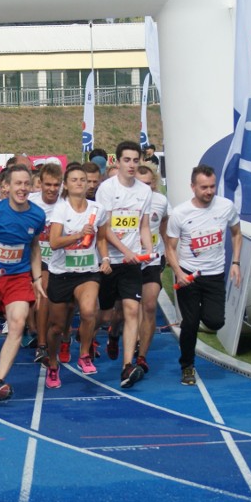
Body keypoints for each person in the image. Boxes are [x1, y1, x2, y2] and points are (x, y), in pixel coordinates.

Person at [0, 164, 46, 404]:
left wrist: (37, 278)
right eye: (18, 184)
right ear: (7, 187)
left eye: (26, 183)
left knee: (17, 322)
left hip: (18, 277)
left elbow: (33, 245)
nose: (22, 188)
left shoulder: (37, 215)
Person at [166, 165, 242, 385]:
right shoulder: (180, 213)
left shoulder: (226, 207)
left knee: (215, 321)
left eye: (212, 187)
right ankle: (187, 366)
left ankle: (195, 318)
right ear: (193, 187)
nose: (209, 191)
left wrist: (236, 262)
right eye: (204, 187)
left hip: (214, 274)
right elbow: (170, 247)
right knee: (190, 324)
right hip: (188, 276)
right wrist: (178, 272)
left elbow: (237, 234)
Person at [96, 141, 154, 388]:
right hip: (109, 260)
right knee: (106, 314)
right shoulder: (106, 189)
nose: (131, 165)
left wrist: (148, 248)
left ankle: (127, 365)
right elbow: (105, 229)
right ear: (117, 162)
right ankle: (111, 332)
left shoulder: (145, 191)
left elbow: (143, 225)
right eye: (127, 160)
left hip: (131, 264)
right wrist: (125, 250)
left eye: (135, 160)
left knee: (132, 310)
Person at [44, 165, 108, 386]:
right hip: (61, 273)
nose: (80, 183)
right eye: (75, 179)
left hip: (87, 271)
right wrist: (79, 235)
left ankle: (84, 355)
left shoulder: (98, 209)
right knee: (56, 327)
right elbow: (53, 243)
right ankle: (52, 364)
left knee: (90, 311)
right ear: (66, 185)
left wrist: (106, 259)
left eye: (83, 179)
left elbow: (101, 238)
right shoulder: (60, 210)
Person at [134, 164, 170, 374]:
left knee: (148, 305)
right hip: (130, 261)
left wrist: (168, 253)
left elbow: (165, 226)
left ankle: (141, 355)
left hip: (153, 260)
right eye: (140, 184)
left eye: (148, 184)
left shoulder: (161, 201)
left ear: (154, 183)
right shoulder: (128, 201)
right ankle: (121, 335)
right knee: (130, 307)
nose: (144, 189)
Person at [28, 162, 63, 364]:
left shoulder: (66, 203)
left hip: (60, 258)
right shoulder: (31, 203)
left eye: (56, 185)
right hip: (35, 256)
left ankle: (59, 338)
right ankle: (41, 344)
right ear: (40, 183)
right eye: (48, 184)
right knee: (41, 297)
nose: (51, 189)